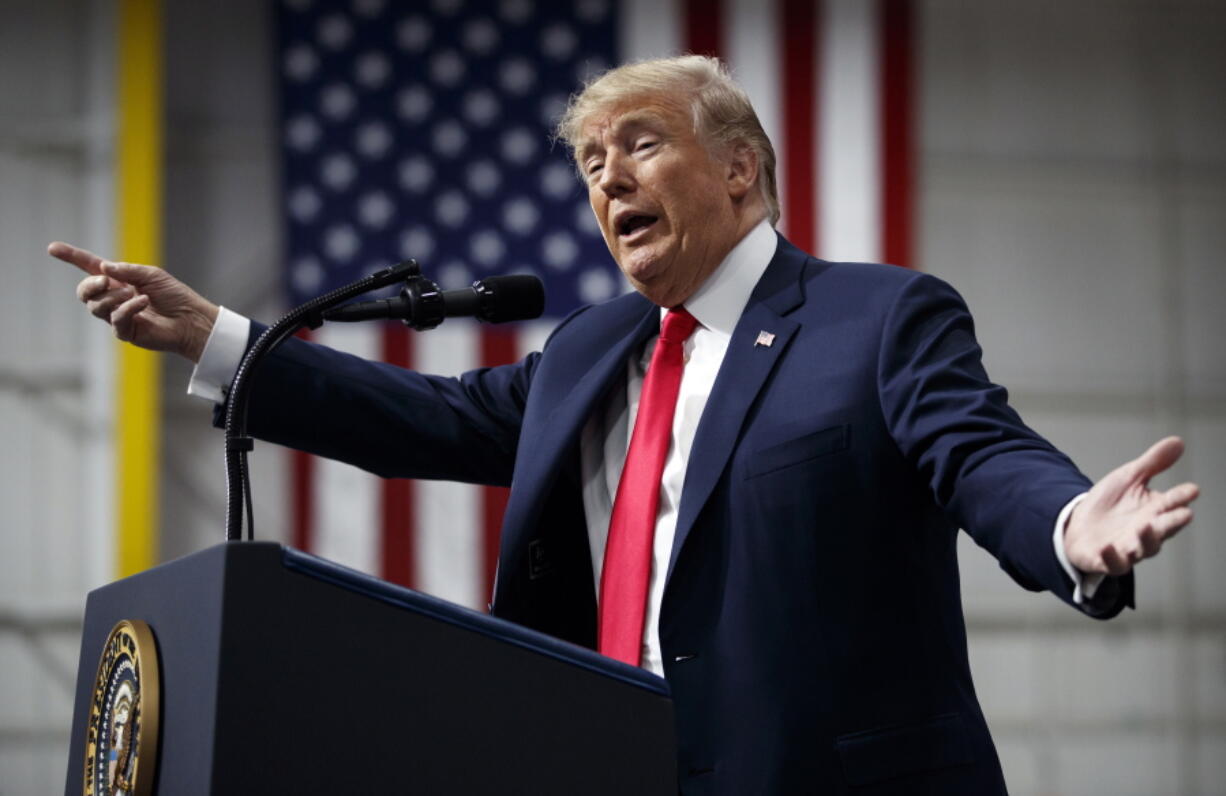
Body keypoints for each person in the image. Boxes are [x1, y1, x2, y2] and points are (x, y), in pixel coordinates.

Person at [52, 56, 1198, 794]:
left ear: (740, 170)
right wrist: (219, 339)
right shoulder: (593, 349)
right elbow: (434, 419)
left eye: (640, 145)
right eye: (592, 166)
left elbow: (975, 449)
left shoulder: (877, 316)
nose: (609, 183)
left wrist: (1063, 522)